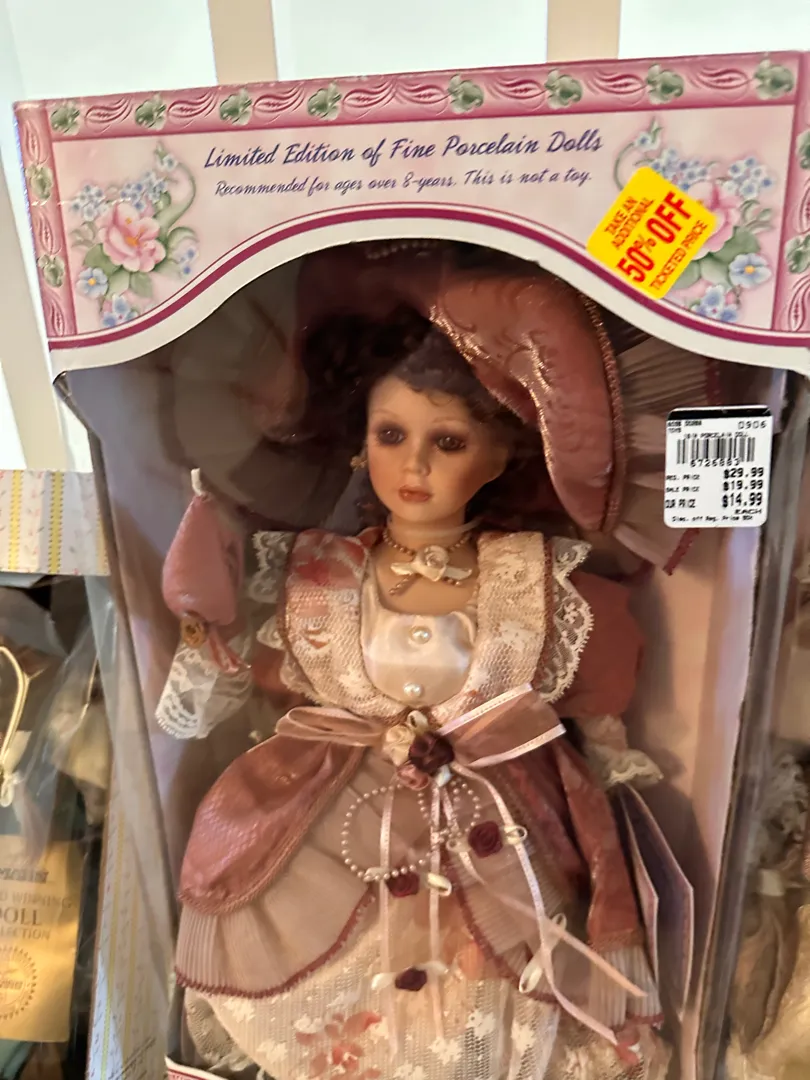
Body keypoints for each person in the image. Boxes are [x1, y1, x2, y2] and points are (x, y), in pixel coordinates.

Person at [156, 242, 716, 1080]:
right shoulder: (314, 574)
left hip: (494, 841)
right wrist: (209, 629)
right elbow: (245, 694)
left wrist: (597, 811)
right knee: (325, 977)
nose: (413, 465)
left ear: (499, 456)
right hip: (333, 831)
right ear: (358, 442)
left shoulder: (538, 582)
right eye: (391, 435)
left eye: (447, 441)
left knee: (485, 996)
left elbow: (593, 736)